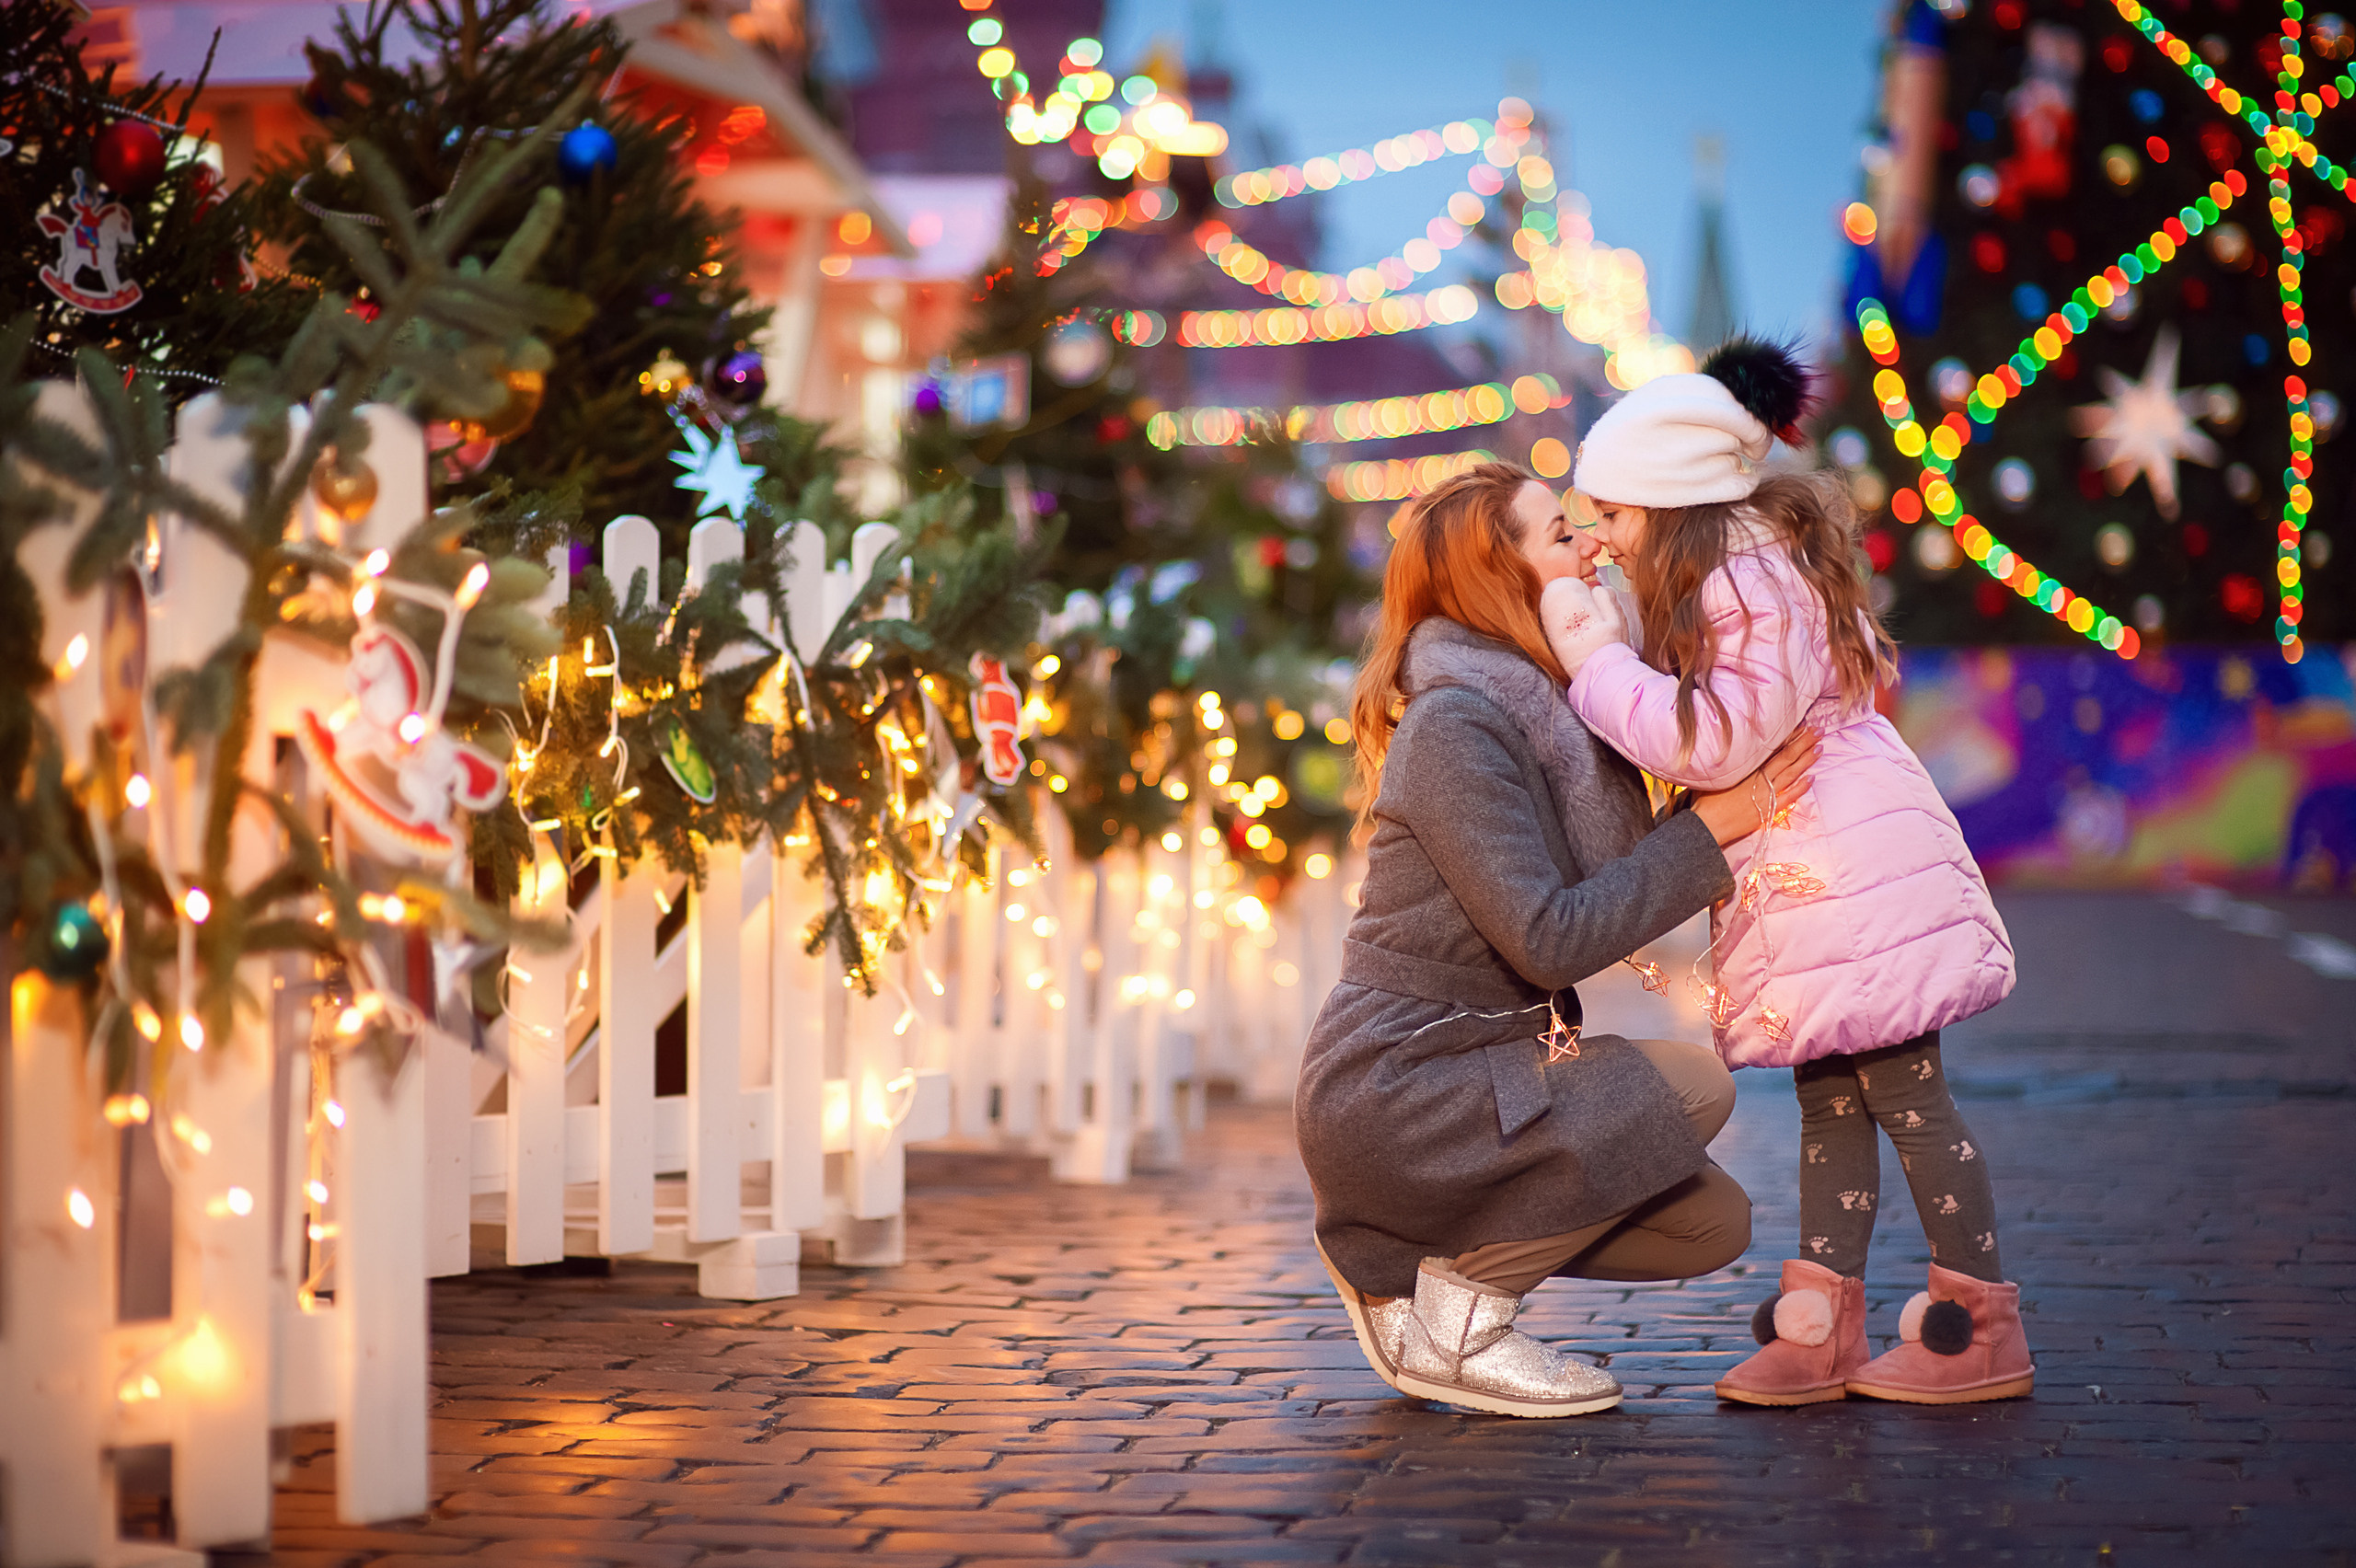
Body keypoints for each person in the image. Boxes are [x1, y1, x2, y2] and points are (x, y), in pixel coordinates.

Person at [1542, 339, 2033, 1407]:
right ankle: (1822, 1333)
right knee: (1832, 1106)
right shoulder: (1732, 577)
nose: (1605, 541)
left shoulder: (1751, 588)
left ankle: (1981, 1329)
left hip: (1850, 872)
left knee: (1909, 1100)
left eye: (1614, 518)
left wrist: (1592, 660)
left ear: (1667, 509)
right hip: (1812, 875)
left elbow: (1713, 742)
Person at [1298, 461, 1819, 1419]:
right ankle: (1454, 1327)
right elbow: (1546, 937)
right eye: (1557, 535)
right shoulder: (1456, 727)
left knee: (1707, 1223)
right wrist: (1712, 829)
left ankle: (1419, 1278)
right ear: (1498, 579)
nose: (1587, 546)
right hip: (1399, 1092)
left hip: (1478, 1078)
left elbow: (1600, 887)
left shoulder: (1544, 718)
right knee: (1688, 1087)